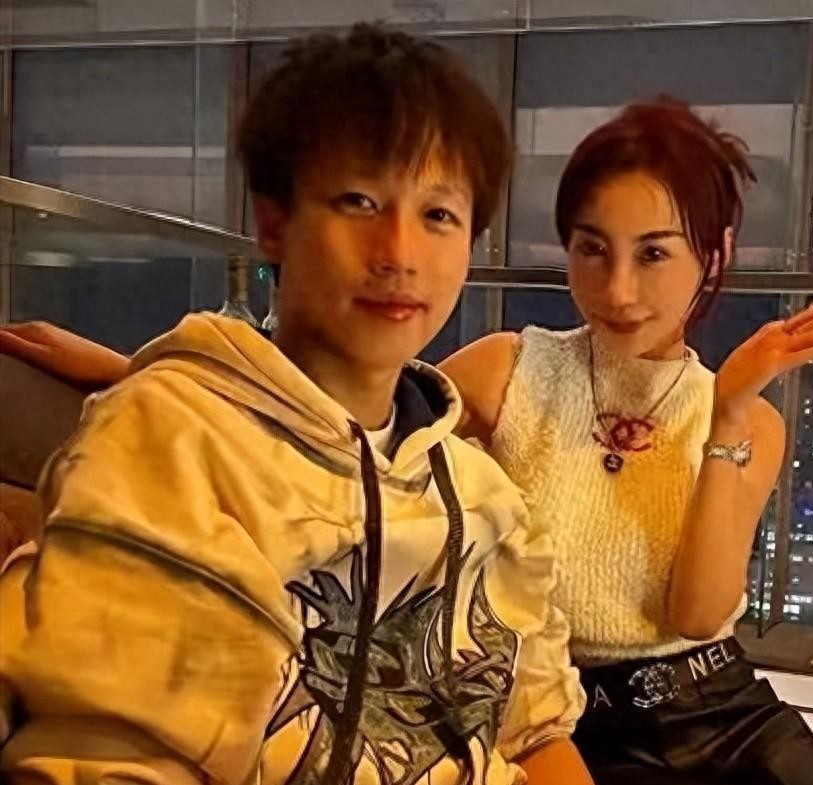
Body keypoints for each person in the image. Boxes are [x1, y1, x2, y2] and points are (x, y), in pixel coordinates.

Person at [1, 100, 813, 784]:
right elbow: (340, 421)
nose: (619, 288)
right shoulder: (512, 369)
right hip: (575, 719)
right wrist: (133, 370)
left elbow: (697, 615)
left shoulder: (746, 418)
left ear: (715, 255)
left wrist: (727, 419)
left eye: (655, 254)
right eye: (592, 250)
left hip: (720, 711)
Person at [0, 24, 590, 785]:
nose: (399, 252)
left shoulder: (484, 497)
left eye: (439, 215)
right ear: (275, 224)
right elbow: (110, 756)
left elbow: (538, 732)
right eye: (359, 201)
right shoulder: (168, 444)